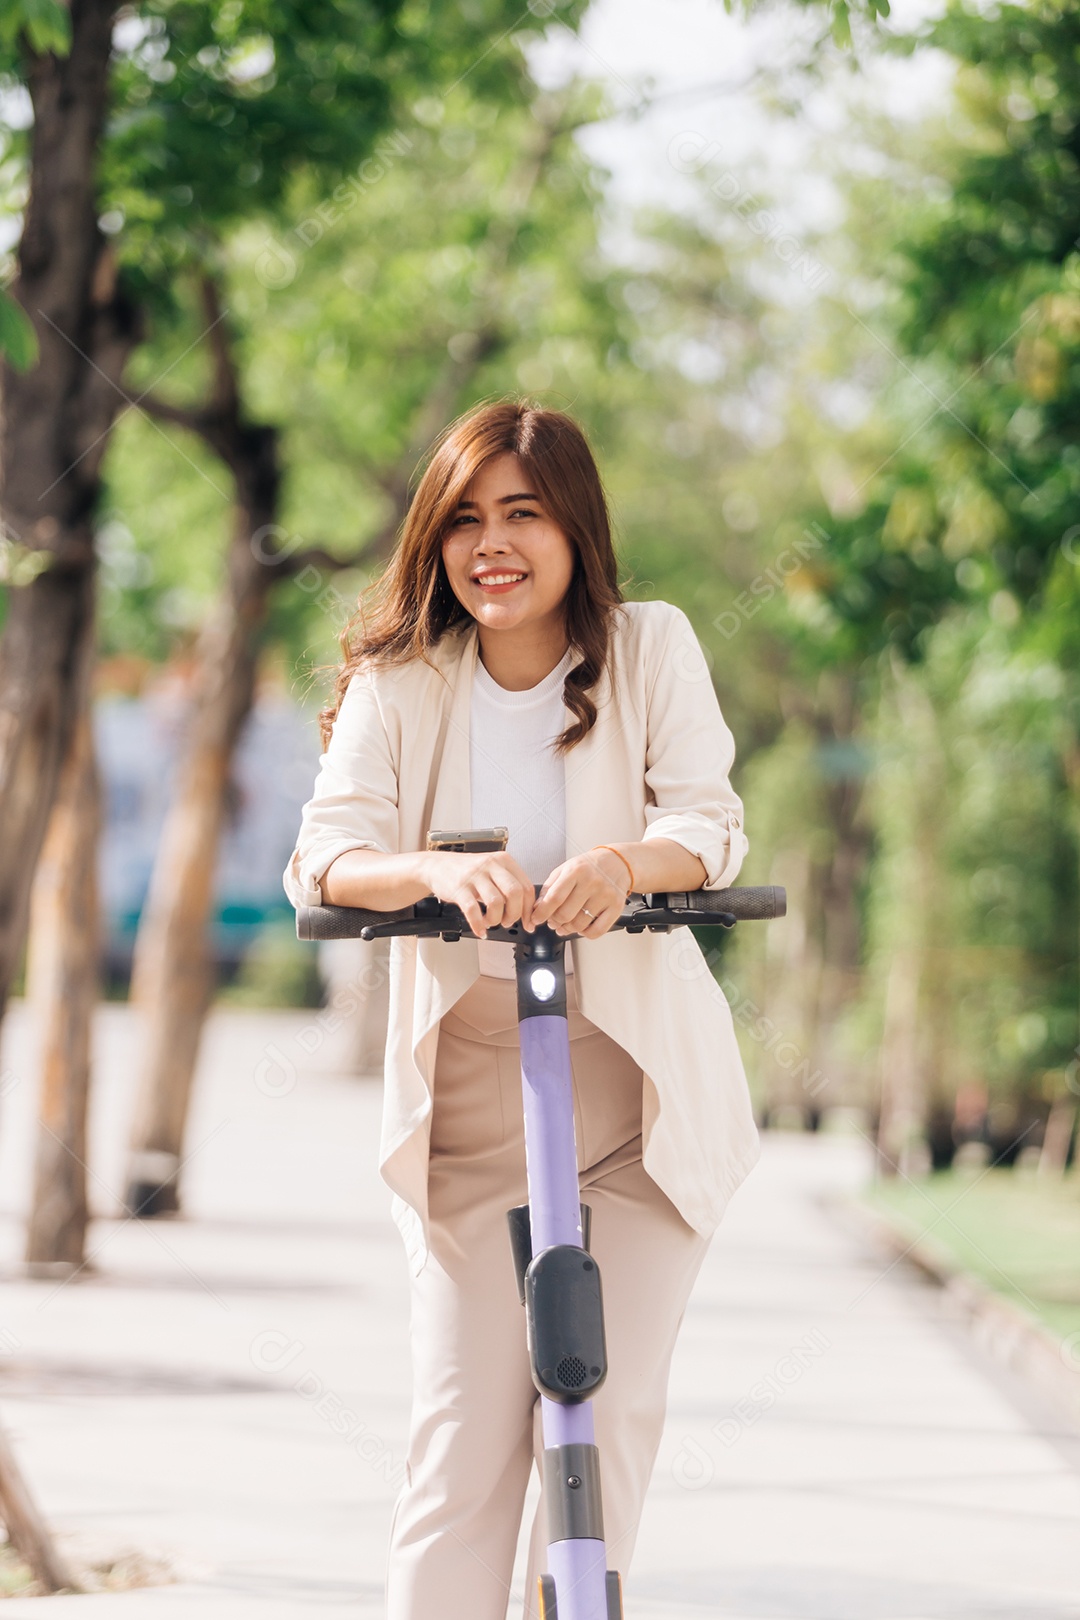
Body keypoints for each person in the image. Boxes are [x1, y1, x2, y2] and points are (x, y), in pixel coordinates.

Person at [283, 400, 759, 1620]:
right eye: (465, 521)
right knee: (463, 1445)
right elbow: (327, 858)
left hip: (635, 1087)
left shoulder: (649, 647)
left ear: (575, 528)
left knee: (599, 1429)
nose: (491, 545)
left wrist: (626, 864)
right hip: (478, 1098)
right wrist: (435, 873)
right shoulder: (400, 682)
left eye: (523, 515)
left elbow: (707, 820)